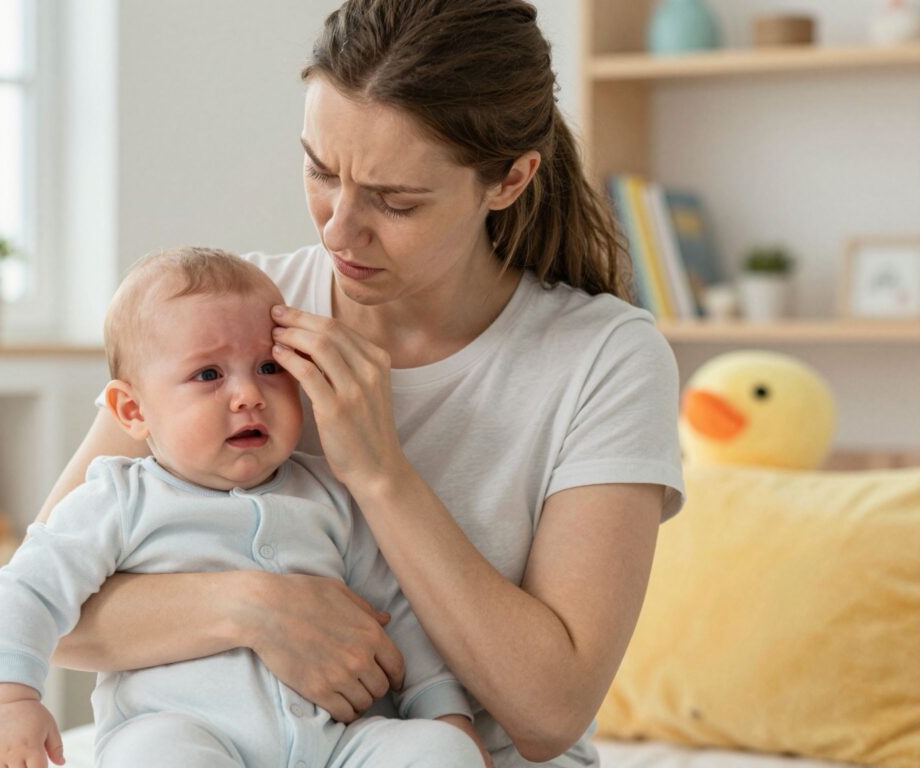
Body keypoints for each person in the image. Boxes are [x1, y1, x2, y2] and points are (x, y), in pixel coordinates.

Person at [40, 2, 685, 765]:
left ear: (509, 180)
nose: (339, 229)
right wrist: (261, 607)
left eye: (395, 200)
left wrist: (380, 473)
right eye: (320, 170)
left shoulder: (603, 358)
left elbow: (550, 712)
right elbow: (49, 606)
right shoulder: (230, 317)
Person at [0, 248, 489, 768]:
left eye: (268, 367)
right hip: (183, 732)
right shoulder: (117, 498)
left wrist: (447, 718)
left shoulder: (331, 495)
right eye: (208, 375)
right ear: (133, 410)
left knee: (438, 753)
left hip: (335, 747)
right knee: (156, 758)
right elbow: (29, 590)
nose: (248, 395)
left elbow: (398, 614)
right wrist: (10, 701)